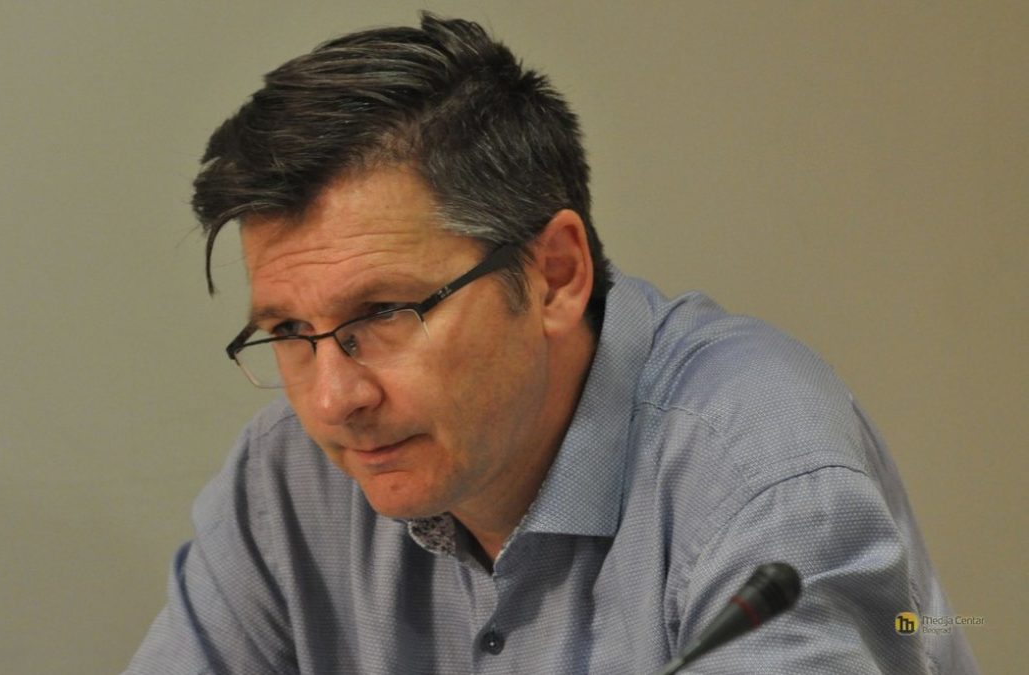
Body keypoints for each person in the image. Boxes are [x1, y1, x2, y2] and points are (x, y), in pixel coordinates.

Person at [126, 13, 977, 674]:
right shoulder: (287, 481)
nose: (333, 398)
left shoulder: (761, 467)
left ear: (557, 275)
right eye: (287, 331)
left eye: (382, 311)